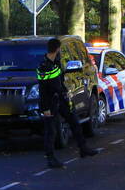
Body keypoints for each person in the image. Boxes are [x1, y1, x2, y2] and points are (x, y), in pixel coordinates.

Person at [37, 38, 99, 168]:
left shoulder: (57, 63)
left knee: (75, 122)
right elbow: (43, 90)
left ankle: (83, 148)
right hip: (50, 102)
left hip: (61, 99)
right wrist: (45, 108)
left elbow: (60, 81)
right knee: (51, 131)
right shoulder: (44, 67)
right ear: (57, 49)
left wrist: (66, 96)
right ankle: (50, 158)